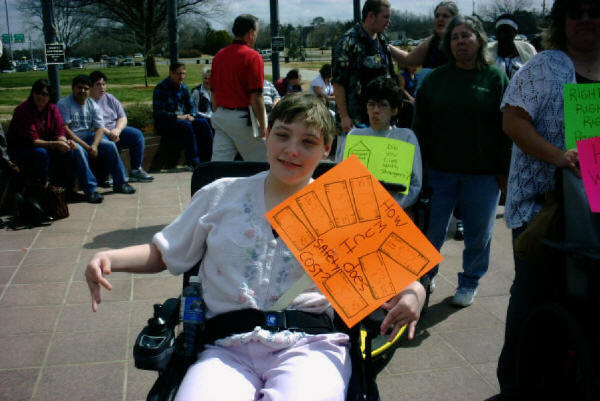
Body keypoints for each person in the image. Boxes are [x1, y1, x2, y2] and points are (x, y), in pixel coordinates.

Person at [85, 93, 426, 401]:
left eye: (308, 142)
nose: (292, 150)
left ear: (327, 149)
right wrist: (109, 257)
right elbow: (164, 252)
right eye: (282, 135)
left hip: (309, 345)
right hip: (226, 347)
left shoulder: (343, 204)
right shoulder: (220, 194)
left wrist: (416, 295)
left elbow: (401, 280)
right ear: (267, 136)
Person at [493, 1, 599, 399]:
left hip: (594, 208)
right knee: (535, 294)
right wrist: (558, 156)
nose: (585, 19)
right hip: (545, 209)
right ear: (561, 21)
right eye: (576, 12)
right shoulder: (545, 67)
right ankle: (516, 385)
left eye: (594, 11)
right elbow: (512, 120)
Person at [412, 15, 511, 307]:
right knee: (430, 232)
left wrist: (504, 171)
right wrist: (419, 168)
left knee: (479, 234)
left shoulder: (496, 78)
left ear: (480, 40)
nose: (460, 42)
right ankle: (425, 277)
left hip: (482, 175)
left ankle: (469, 282)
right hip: (438, 173)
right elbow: (420, 126)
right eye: (454, 37)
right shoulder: (435, 80)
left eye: (466, 35)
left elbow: (507, 130)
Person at [336, 76, 422, 209]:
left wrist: (390, 207)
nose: (375, 110)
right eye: (371, 104)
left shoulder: (406, 137)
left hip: (393, 210)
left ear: (394, 109)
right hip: (356, 207)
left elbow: (415, 185)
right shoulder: (354, 136)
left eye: (383, 105)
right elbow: (338, 178)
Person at [58, 75, 136, 203]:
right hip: (72, 140)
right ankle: (91, 190)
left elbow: (99, 128)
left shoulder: (92, 104)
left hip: (89, 138)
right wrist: (87, 147)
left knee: (110, 146)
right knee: (80, 151)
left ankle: (120, 183)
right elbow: (66, 129)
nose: (82, 91)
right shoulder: (64, 104)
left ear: (89, 90)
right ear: (72, 88)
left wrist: (94, 145)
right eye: (79, 88)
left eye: (85, 88)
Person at [332, 0, 395, 135]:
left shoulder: (382, 40)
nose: (389, 21)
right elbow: (338, 83)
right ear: (371, 16)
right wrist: (344, 116)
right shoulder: (349, 42)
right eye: (385, 17)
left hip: (380, 120)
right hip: (355, 122)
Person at [210, 14, 267, 162]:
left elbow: (213, 91)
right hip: (242, 118)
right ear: (250, 33)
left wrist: (218, 112)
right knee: (266, 161)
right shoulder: (253, 56)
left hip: (221, 116)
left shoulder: (219, 55)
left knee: (219, 165)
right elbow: (256, 96)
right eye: (256, 32)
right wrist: (263, 124)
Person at [6, 79, 77, 190]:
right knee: (41, 153)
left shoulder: (52, 109)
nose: (40, 96)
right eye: (37, 92)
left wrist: (65, 142)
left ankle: (67, 189)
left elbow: (59, 131)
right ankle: (43, 187)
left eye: (44, 94)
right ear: (33, 93)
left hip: (46, 145)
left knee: (69, 151)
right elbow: (32, 140)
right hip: (21, 148)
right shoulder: (23, 110)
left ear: (50, 96)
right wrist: (55, 144)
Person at [89, 70, 154, 183]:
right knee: (107, 143)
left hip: (115, 130)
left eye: (104, 84)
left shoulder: (110, 98)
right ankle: (113, 175)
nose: (102, 87)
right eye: (98, 84)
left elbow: (122, 117)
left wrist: (117, 130)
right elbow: (95, 124)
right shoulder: (88, 102)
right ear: (91, 87)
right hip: (100, 133)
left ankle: (136, 170)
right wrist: (110, 133)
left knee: (137, 135)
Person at [153, 62, 214, 168]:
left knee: (202, 123)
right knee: (187, 126)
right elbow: (159, 112)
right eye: (178, 74)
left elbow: (191, 106)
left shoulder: (183, 87)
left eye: (183, 74)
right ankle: (194, 162)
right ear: (171, 73)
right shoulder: (161, 88)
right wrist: (177, 117)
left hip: (182, 120)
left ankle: (209, 158)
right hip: (166, 123)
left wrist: (192, 115)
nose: (181, 77)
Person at [389, 1, 459, 70]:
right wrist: (386, 45)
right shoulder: (432, 40)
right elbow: (409, 59)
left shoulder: (460, 41)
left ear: (455, 19)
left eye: (445, 16)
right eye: (437, 16)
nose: (440, 19)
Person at [487, 14, 537, 79]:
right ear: (496, 33)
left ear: (515, 33)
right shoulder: (487, 51)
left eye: (507, 31)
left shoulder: (528, 49)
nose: (503, 35)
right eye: (500, 31)